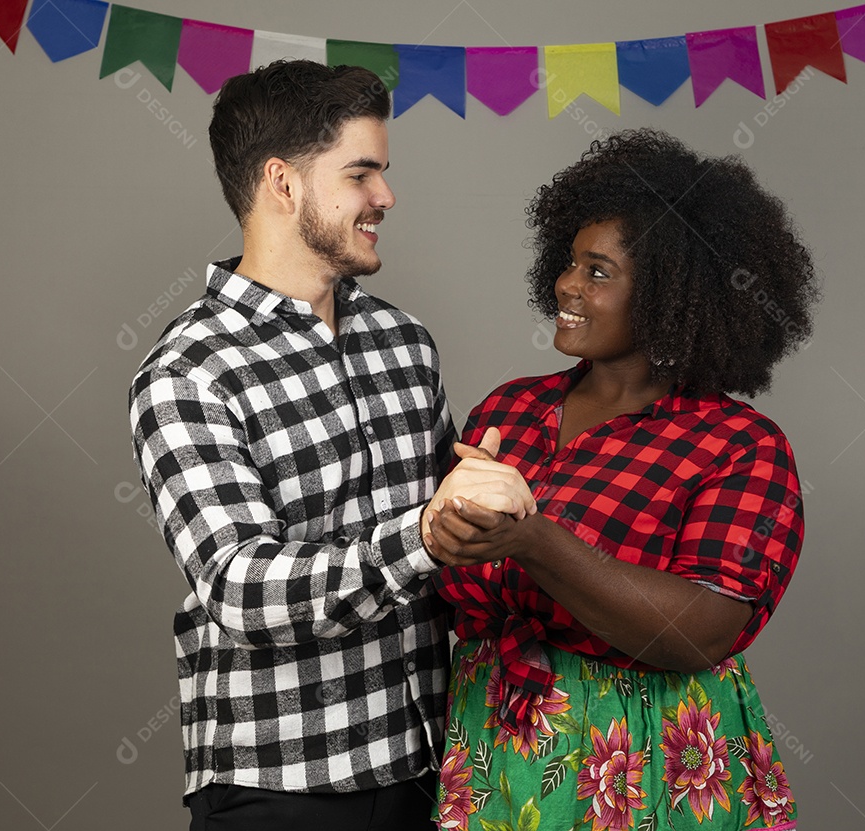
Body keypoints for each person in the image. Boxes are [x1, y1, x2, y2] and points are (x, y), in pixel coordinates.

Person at [128, 59, 534, 831]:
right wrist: (423, 536)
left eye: (382, 173)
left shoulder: (403, 341)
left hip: (432, 768)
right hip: (281, 788)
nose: (385, 196)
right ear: (283, 183)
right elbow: (241, 588)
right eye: (361, 174)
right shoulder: (189, 374)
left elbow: (452, 544)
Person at [425, 128, 818, 830]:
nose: (567, 286)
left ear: (673, 293)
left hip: (645, 763)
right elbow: (446, 581)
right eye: (570, 263)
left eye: (598, 272)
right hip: (492, 747)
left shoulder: (739, 447)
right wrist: (442, 531)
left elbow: (696, 632)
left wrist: (532, 538)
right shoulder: (509, 410)